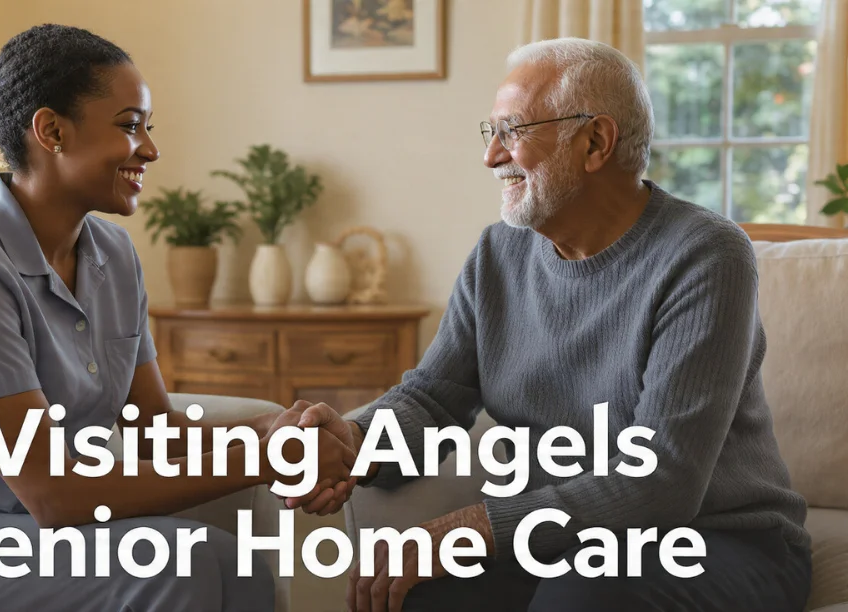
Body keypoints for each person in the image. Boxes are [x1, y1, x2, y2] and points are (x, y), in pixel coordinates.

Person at [0, 24, 354, 612]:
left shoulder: (113, 255)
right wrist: (263, 460)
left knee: (235, 565)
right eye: (130, 125)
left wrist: (274, 429)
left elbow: (153, 431)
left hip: (27, 532)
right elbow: (53, 492)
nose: (151, 149)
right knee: (185, 564)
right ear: (52, 131)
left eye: (147, 128)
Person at [289, 38, 813, 611]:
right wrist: (356, 442)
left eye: (512, 131)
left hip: (716, 540)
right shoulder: (498, 255)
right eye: (490, 133)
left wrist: (473, 527)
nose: (491, 157)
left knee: (582, 599)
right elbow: (435, 399)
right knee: (417, 596)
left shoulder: (705, 255)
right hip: (567, 544)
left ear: (595, 142)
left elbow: (665, 479)